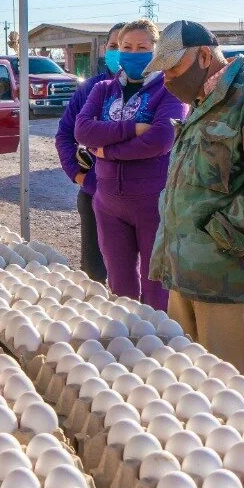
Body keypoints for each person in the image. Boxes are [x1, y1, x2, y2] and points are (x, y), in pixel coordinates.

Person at [146, 21, 244, 383]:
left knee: (230, 392)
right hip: (185, 271)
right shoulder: (201, 102)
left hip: (226, 274)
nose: (167, 79)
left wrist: (224, 234)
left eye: (174, 68)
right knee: (188, 381)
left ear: (205, 56)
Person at [75, 19, 186, 310]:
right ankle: (128, 350)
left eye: (142, 47)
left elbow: (162, 138)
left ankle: (160, 351)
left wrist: (107, 151)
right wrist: (134, 129)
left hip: (153, 204)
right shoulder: (102, 90)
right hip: (109, 204)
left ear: (156, 51)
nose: (133, 53)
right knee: (120, 290)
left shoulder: (169, 90)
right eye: (126, 47)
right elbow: (82, 130)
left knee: (156, 292)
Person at [55, 22, 125, 283]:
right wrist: (80, 177)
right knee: (94, 276)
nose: (121, 52)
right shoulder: (92, 89)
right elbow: (64, 135)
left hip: (142, 202)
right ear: (105, 49)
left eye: (129, 46)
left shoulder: (156, 93)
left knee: (138, 280)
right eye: (115, 46)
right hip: (96, 196)